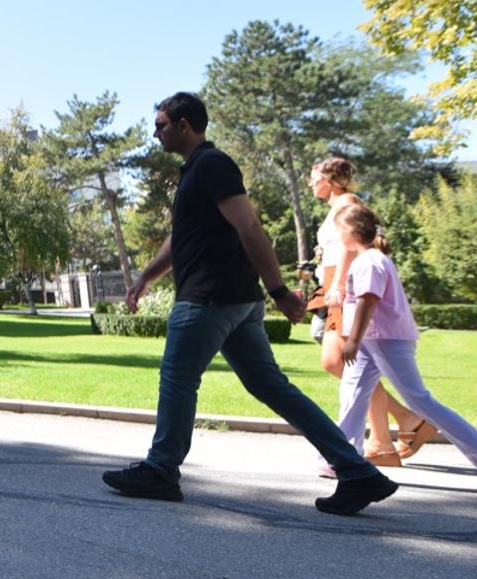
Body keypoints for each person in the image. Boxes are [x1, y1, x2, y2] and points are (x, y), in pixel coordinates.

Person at [101, 92, 398, 516]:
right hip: (235, 301)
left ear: (185, 125)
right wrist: (148, 275)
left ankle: (161, 469)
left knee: (178, 379)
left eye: (161, 125)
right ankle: (357, 471)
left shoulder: (211, 164)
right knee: (271, 386)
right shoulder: (196, 171)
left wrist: (279, 290)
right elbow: (182, 236)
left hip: (209, 297)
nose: (155, 133)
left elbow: (249, 225)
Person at [332, 204, 477, 497]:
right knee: (353, 391)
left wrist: (352, 340)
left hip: (385, 339)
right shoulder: (369, 259)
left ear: (351, 232)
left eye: (339, 231)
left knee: (420, 401)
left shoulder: (370, 261)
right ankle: (342, 459)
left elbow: (368, 300)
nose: (337, 237)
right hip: (373, 340)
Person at [307, 157, 431, 466]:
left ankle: (386, 438)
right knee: (339, 363)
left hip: (341, 285)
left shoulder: (347, 202)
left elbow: (348, 247)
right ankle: (400, 426)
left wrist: (338, 284)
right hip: (332, 282)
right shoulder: (336, 206)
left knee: (344, 363)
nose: (311, 183)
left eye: (314, 177)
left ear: (329, 180)